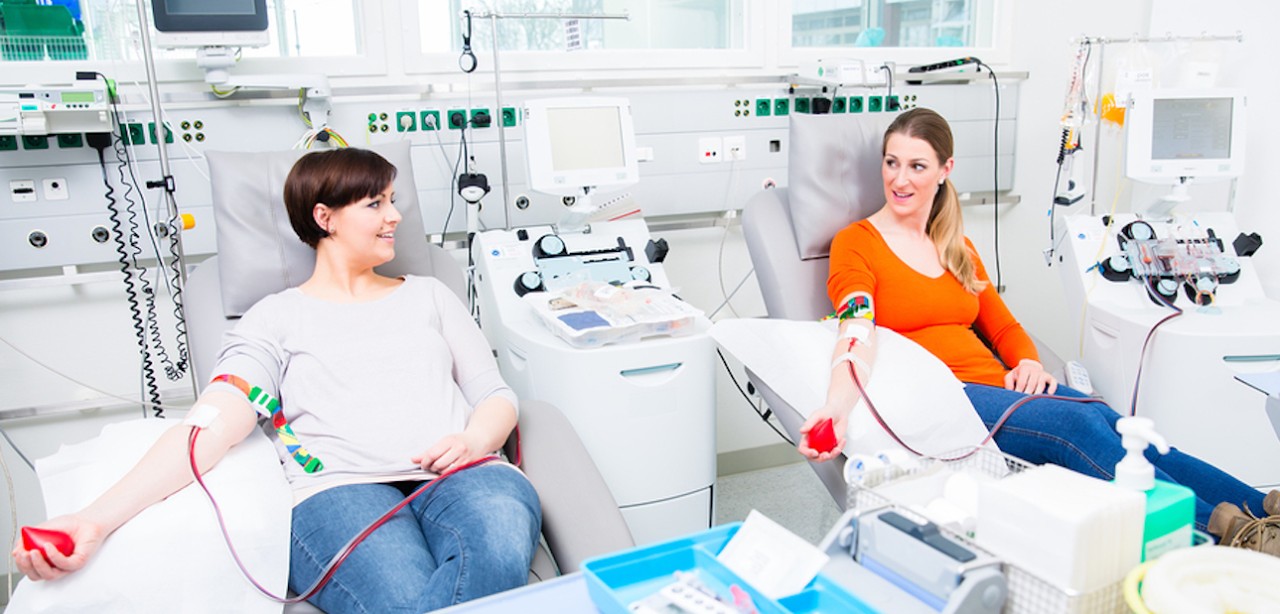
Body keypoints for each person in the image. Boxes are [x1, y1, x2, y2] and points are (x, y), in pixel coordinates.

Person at [11, 148, 542, 611]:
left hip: (468, 475)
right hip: (337, 492)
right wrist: (94, 520)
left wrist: (474, 440)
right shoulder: (272, 318)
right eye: (375, 203)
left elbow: (494, 395)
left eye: (392, 200)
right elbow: (214, 424)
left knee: (493, 552)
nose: (396, 216)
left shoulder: (429, 295)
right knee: (401, 603)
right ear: (324, 217)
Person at [796, 107, 1271, 538]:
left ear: (945, 171)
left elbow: (1005, 329)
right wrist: (835, 410)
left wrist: (1027, 362)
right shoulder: (856, 243)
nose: (899, 179)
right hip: (943, 396)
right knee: (1077, 424)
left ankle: (1262, 509)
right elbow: (855, 331)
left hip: (996, 386)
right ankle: (1231, 534)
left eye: (917, 166)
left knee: (1115, 423)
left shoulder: (956, 248)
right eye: (891, 162)